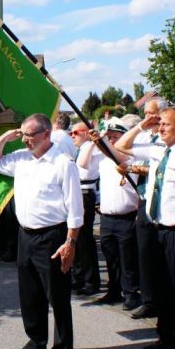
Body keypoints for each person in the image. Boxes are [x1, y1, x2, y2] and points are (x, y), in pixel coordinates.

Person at [0, 113, 83, 349]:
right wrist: (4, 138)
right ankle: (36, 342)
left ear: (46, 134)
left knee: (57, 297)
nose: (25, 140)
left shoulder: (63, 163)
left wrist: (70, 242)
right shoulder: (21, 158)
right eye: (23, 135)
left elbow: (76, 209)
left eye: (29, 135)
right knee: (30, 294)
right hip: (26, 235)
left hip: (52, 237)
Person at [115, 106, 175, 349]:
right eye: (159, 124)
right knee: (159, 286)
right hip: (154, 226)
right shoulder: (157, 149)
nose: (160, 128)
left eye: (165, 124)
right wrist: (142, 125)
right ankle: (165, 336)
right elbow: (121, 145)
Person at [90, 119, 141, 310]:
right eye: (109, 137)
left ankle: (131, 294)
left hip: (125, 216)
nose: (111, 140)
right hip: (107, 216)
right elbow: (83, 164)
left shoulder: (130, 157)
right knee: (110, 256)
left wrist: (100, 141)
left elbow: (116, 155)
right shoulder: (104, 160)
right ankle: (114, 290)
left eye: (115, 137)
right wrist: (96, 141)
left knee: (127, 259)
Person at [129, 97, 167, 320]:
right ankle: (149, 300)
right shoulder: (144, 136)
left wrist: (143, 169)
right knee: (144, 254)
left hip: (162, 202)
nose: (148, 118)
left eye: (151, 114)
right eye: (145, 114)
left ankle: (163, 301)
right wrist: (140, 127)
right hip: (144, 198)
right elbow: (123, 147)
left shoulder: (165, 137)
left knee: (161, 255)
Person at [70, 120, 101, 296]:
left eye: (76, 132)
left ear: (86, 133)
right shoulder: (81, 148)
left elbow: (82, 164)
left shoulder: (91, 146)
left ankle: (91, 280)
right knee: (77, 238)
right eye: (71, 133)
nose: (72, 136)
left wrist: (92, 140)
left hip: (85, 193)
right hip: (78, 192)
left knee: (84, 239)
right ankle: (79, 276)